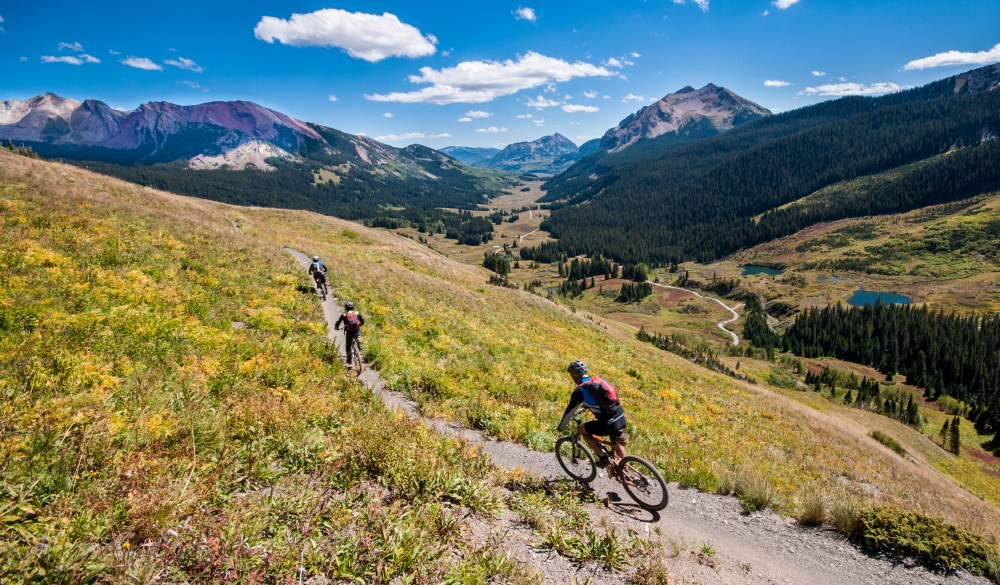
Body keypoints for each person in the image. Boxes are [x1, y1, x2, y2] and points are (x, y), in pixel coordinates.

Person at [557, 360, 628, 468]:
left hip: (608, 423)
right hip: (620, 417)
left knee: (582, 430)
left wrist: (562, 426)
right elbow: (600, 401)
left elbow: (569, 411)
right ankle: (626, 470)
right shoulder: (596, 383)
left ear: (574, 376)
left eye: (571, 375)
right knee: (616, 442)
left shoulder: (580, 390)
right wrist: (586, 406)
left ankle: (604, 458)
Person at [335, 301, 365, 367]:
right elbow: (362, 321)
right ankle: (358, 340)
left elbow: (338, 323)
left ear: (346, 308)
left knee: (348, 345)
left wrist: (336, 327)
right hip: (357, 330)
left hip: (349, 332)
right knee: (357, 335)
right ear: (353, 307)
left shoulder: (344, 315)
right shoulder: (357, 313)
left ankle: (349, 359)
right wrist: (359, 325)